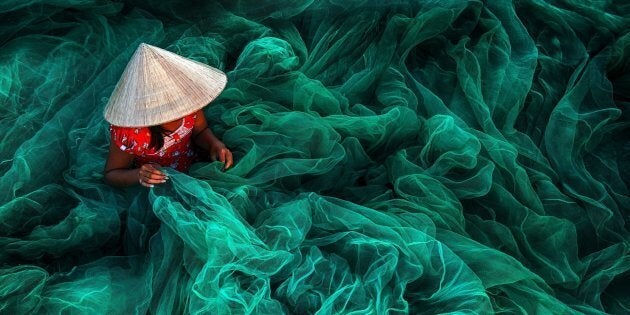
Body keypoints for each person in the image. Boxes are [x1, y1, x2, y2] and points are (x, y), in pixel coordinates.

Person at [103, 43, 233, 188]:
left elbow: (200, 131)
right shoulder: (130, 133)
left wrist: (213, 144)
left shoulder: (189, 104)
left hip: (191, 165)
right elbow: (112, 174)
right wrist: (139, 174)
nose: (181, 110)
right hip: (157, 187)